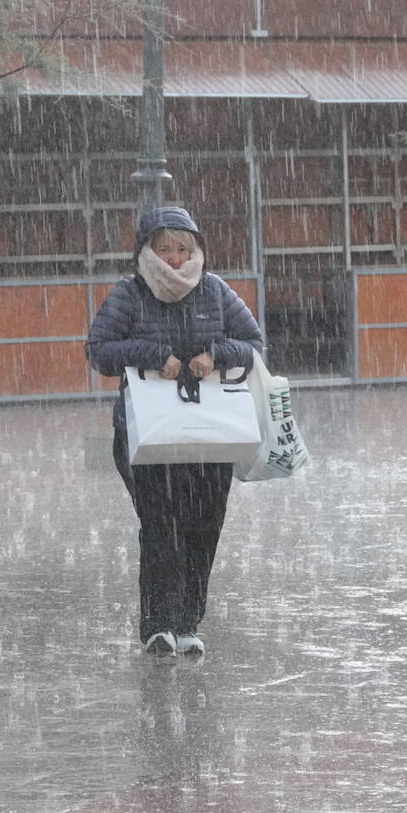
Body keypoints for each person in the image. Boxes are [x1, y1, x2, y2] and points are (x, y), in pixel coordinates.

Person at [86, 206, 264, 658]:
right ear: (147, 251)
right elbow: (99, 350)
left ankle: (188, 624)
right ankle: (157, 626)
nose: (175, 258)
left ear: (195, 249)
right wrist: (152, 355)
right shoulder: (130, 293)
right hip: (146, 435)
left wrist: (216, 355)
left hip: (210, 436)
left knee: (204, 526)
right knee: (161, 526)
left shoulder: (215, 290)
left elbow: (255, 345)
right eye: (164, 248)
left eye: (183, 248)